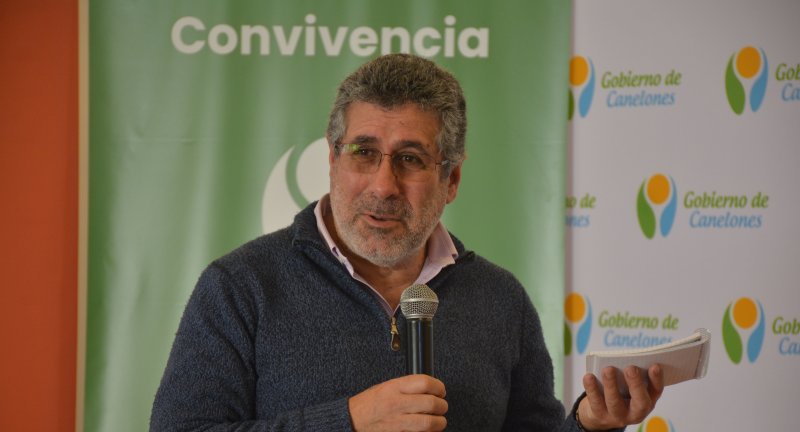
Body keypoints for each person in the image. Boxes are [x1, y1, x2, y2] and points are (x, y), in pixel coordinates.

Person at [151, 53, 663, 431]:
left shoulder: (500, 298)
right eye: (363, 153)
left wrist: (591, 423)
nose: (382, 186)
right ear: (332, 161)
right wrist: (347, 422)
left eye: (411, 159)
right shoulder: (241, 286)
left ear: (453, 180)